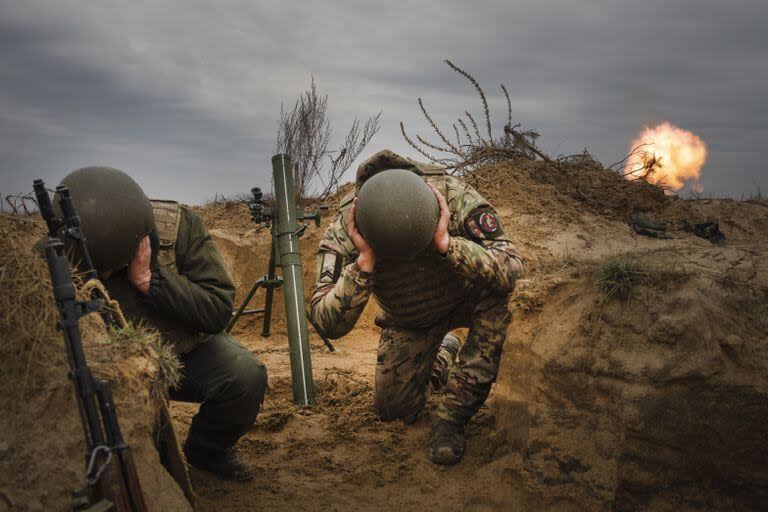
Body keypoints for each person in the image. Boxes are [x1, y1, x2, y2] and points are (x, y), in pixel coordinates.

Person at [309, 149, 523, 465]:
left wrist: (447, 245)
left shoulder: (451, 194)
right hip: (411, 316)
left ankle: (452, 418)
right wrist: (364, 264)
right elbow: (326, 322)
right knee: (393, 411)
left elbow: (512, 268)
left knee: (498, 303)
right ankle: (444, 355)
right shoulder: (346, 225)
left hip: (469, 298)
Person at [57, 166, 267, 482]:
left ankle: (207, 451)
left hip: (185, 352)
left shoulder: (179, 227)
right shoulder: (61, 244)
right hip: (114, 369)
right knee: (145, 459)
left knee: (244, 376)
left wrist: (149, 280)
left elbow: (218, 308)